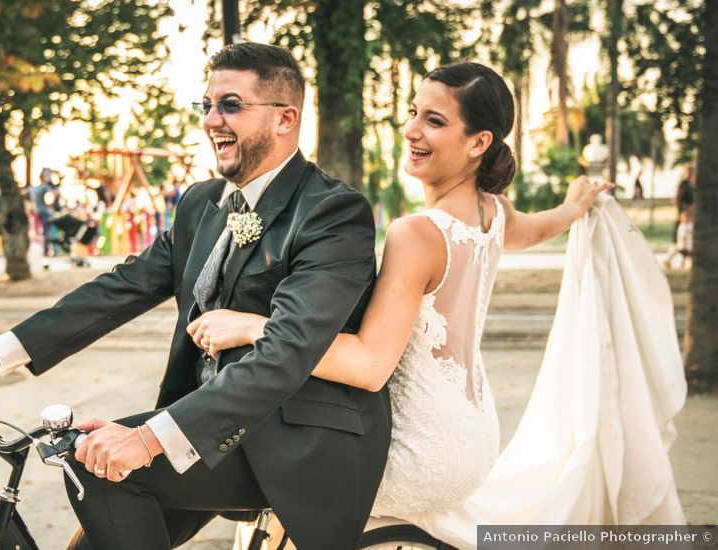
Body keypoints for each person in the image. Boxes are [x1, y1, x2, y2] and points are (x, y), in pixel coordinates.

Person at [192, 63, 684, 547]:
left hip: (421, 453)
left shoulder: (417, 234)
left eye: (435, 120)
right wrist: (575, 207)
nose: (411, 130)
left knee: (277, 450)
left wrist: (255, 326)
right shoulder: (493, 212)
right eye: (414, 112)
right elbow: (541, 227)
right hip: (476, 436)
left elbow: (367, 365)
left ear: (479, 143)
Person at [0, 43, 390, 550]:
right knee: (91, 497)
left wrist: (146, 438)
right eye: (207, 105)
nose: (211, 120)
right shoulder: (202, 203)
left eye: (231, 105)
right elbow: (120, 288)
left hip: (297, 442)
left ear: (285, 118)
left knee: (102, 471)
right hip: (208, 429)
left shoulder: (333, 213)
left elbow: (288, 349)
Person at [32, 167, 59, 256]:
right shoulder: (44, 186)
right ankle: (48, 251)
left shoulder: (36, 188)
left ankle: (46, 251)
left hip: (38, 211)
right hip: (44, 211)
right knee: (48, 231)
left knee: (44, 231)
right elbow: (55, 194)